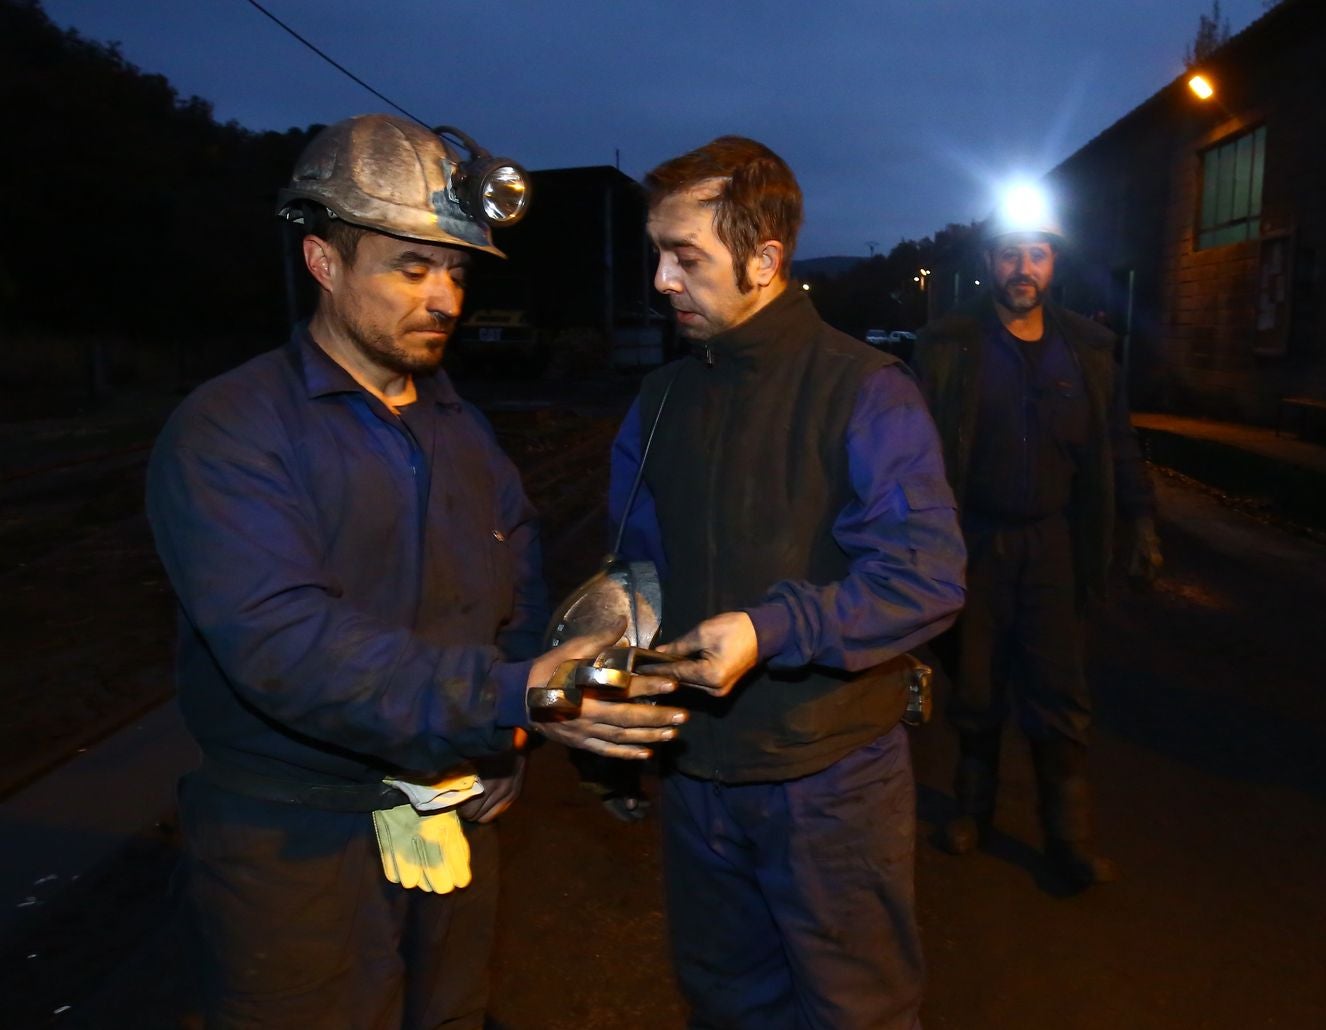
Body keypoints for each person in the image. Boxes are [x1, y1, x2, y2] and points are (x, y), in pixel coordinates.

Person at [146, 113, 686, 1028]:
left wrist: (502, 739)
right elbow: (289, 646)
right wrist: (513, 695)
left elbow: (516, 577)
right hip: (294, 846)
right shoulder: (232, 430)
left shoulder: (458, 427)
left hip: (453, 811)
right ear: (324, 263)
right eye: (411, 267)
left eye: (457, 270)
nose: (446, 298)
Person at [611, 136, 967, 1030]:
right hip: (698, 778)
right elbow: (633, 569)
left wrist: (771, 631)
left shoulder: (865, 390)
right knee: (725, 1003)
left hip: (831, 781)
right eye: (658, 254)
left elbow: (927, 575)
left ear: (765, 260)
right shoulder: (659, 402)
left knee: (858, 1009)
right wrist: (607, 675)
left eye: (685, 257)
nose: (661, 279)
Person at [911, 195, 1163, 890]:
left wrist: (1138, 520)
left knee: (1059, 688)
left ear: (1054, 263)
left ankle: (1068, 840)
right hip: (975, 543)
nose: (1024, 268)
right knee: (978, 684)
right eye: (1010, 253)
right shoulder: (949, 349)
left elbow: (1117, 443)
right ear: (990, 262)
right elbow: (914, 447)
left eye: (1038, 254)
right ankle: (972, 812)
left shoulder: (1089, 351)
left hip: (1055, 543)